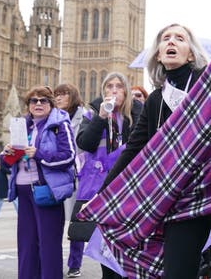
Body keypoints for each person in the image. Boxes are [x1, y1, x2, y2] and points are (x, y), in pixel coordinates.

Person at [101, 23, 211, 279]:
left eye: (179, 38)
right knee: (176, 271)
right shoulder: (155, 101)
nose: (171, 42)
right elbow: (134, 149)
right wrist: (104, 192)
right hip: (182, 197)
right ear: (158, 54)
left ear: (191, 53)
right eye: (165, 39)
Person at [0, 85, 76, 278]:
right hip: (22, 191)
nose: (38, 104)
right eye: (34, 100)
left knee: (48, 246)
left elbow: (68, 157)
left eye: (43, 100)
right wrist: (7, 154)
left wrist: (39, 154)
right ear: (28, 105)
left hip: (46, 191)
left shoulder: (59, 124)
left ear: (51, 104)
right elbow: (8, 162)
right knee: (26, 245)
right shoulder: (21, 125)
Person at [77, 72, 140, 279]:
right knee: (106, 252)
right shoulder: (93, 113)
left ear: (126, 91)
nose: (114, 91)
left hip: (130, 190)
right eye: (109, 86)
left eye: (119, 86)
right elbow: (85, 143)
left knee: (129, 252)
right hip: (103, 190)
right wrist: (101, 118)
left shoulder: (139, 113)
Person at [54, 83, 91, 278]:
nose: (58, 98)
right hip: (56, 175)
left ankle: (74, 263)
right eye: (56, 95)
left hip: (78, 175)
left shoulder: (84, 116)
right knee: (55, 221)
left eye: (63, 94)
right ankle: (52, 260)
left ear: (73, 96)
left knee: (76, 221)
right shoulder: (52, 118)